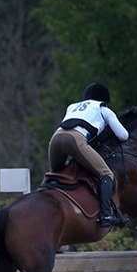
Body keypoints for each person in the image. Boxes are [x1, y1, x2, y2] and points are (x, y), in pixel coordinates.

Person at [48, 82, 129, 227]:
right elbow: (123, 136)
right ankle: (106, 216)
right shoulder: (103, 109)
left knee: (56, 175)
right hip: (75, 139)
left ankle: (46, 200)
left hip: (55, 139)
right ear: (104, 99)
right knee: (106, 174)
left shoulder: (72, 106)